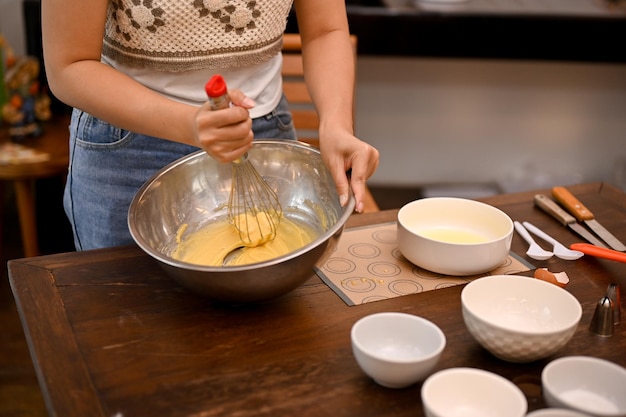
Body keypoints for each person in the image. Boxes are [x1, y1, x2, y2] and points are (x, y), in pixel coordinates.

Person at [42, 0, 380, 250]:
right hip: (128, 148)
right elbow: (70, 66)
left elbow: (325, 31)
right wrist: (189, 124)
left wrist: (335, 125)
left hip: (261, 136)